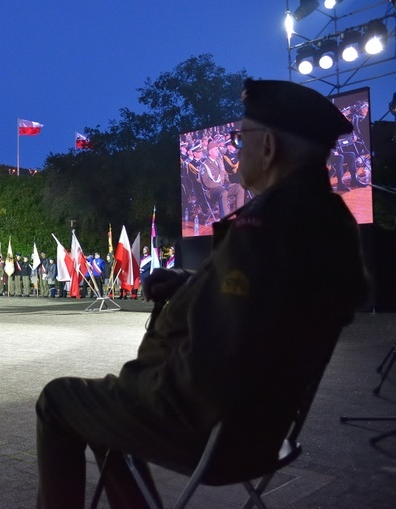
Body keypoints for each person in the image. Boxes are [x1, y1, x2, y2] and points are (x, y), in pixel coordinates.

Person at [35, 79, 368, 508]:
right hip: (266, 429)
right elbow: (267, 305)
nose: (235, 150)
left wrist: (139, 387)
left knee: (58, 400)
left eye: (240, 138)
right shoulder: (329, 219)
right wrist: (195, 283)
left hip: (210, 431)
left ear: (267, 146)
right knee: (100, 414)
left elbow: (218, 354)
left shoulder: (263, 227)